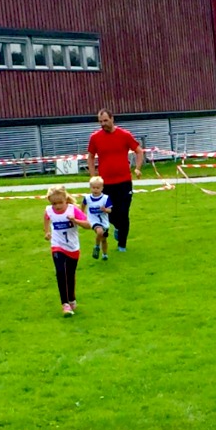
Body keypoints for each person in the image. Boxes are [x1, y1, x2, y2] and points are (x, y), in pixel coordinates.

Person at [86, 109, 143, 252]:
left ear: (112, 119)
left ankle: (122, 245)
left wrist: (137, 168)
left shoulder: (124, 135)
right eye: (100, 122)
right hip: (106, 184)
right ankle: (117, 227)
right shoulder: (95, 138)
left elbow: (139, 151)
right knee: (109, 213)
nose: (103, 124)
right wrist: (93, 177)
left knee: (123, 213)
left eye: (105, 121)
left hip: (124, 182)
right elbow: (91, 157)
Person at [43, 185, 91, 316]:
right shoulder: (49, 210)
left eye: (60, 203)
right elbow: (46, 218)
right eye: (54, 203)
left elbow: (88, 225)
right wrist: (47, 232)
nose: (57, 206)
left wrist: (75, 220)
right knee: (60, 272)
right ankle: (65, 304)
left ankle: (71, 298)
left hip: (73, 247)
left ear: (65, 199)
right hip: (57, 246)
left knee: (70, 275)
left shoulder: (72, 210)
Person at [83, 175, 112, 261]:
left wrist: (105, 210)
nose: (95, 190)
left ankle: (105, 254)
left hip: (104, 221)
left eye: (98, 188)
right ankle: (96, 246)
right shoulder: (87, 198)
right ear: (90, 187)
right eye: (93, 188)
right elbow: (83, 205)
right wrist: (82, 214)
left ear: (102, 188)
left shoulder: (105, 198)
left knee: (104, 239)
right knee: (99, 231)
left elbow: (110, 210)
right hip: (93, 220)